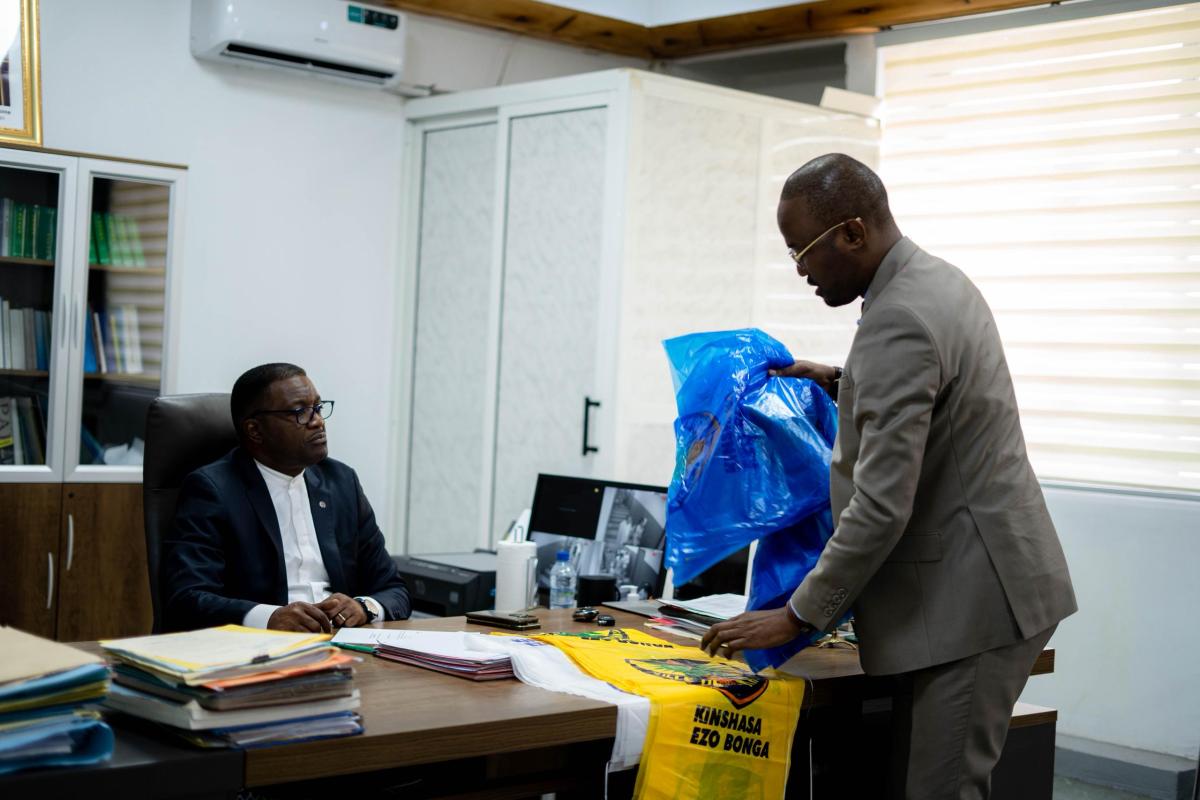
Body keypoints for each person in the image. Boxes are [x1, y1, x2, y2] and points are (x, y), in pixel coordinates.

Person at [700, 154, 1076, 799]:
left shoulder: (898, 318)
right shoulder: (934, 281)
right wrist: (841, 381)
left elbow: (880, 506)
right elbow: (934, 396)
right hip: (988, 576)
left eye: (803, 252)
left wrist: (797, 616)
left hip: (974, 601)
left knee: (942, 789)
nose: (801, 272)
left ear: (852, 232)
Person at [162, 363, 410, 633]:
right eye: (300, 412)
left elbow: (393, 589)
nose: (318, 421)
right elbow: (187, 598)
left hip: (341, 643)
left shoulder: (341, 482)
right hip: (259, 646)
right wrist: (270, 618)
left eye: (318, 407)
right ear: (255, 430)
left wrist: (364, 607)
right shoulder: (213, 490)